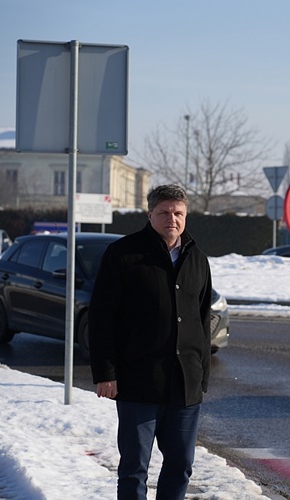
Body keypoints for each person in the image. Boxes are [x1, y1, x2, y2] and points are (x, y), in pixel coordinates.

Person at [89, 184, 213, 499]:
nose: (172, 219)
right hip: (137, 382)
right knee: (134, 469)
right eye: (164, 212)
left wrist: (202, 375)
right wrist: (105, 372)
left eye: (178, 213)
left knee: (181, 466)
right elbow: (102, 316)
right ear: (150, 215)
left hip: (185, 384)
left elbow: (202, 319)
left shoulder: (197, 258)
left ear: (186, 215)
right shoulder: (123, 254)